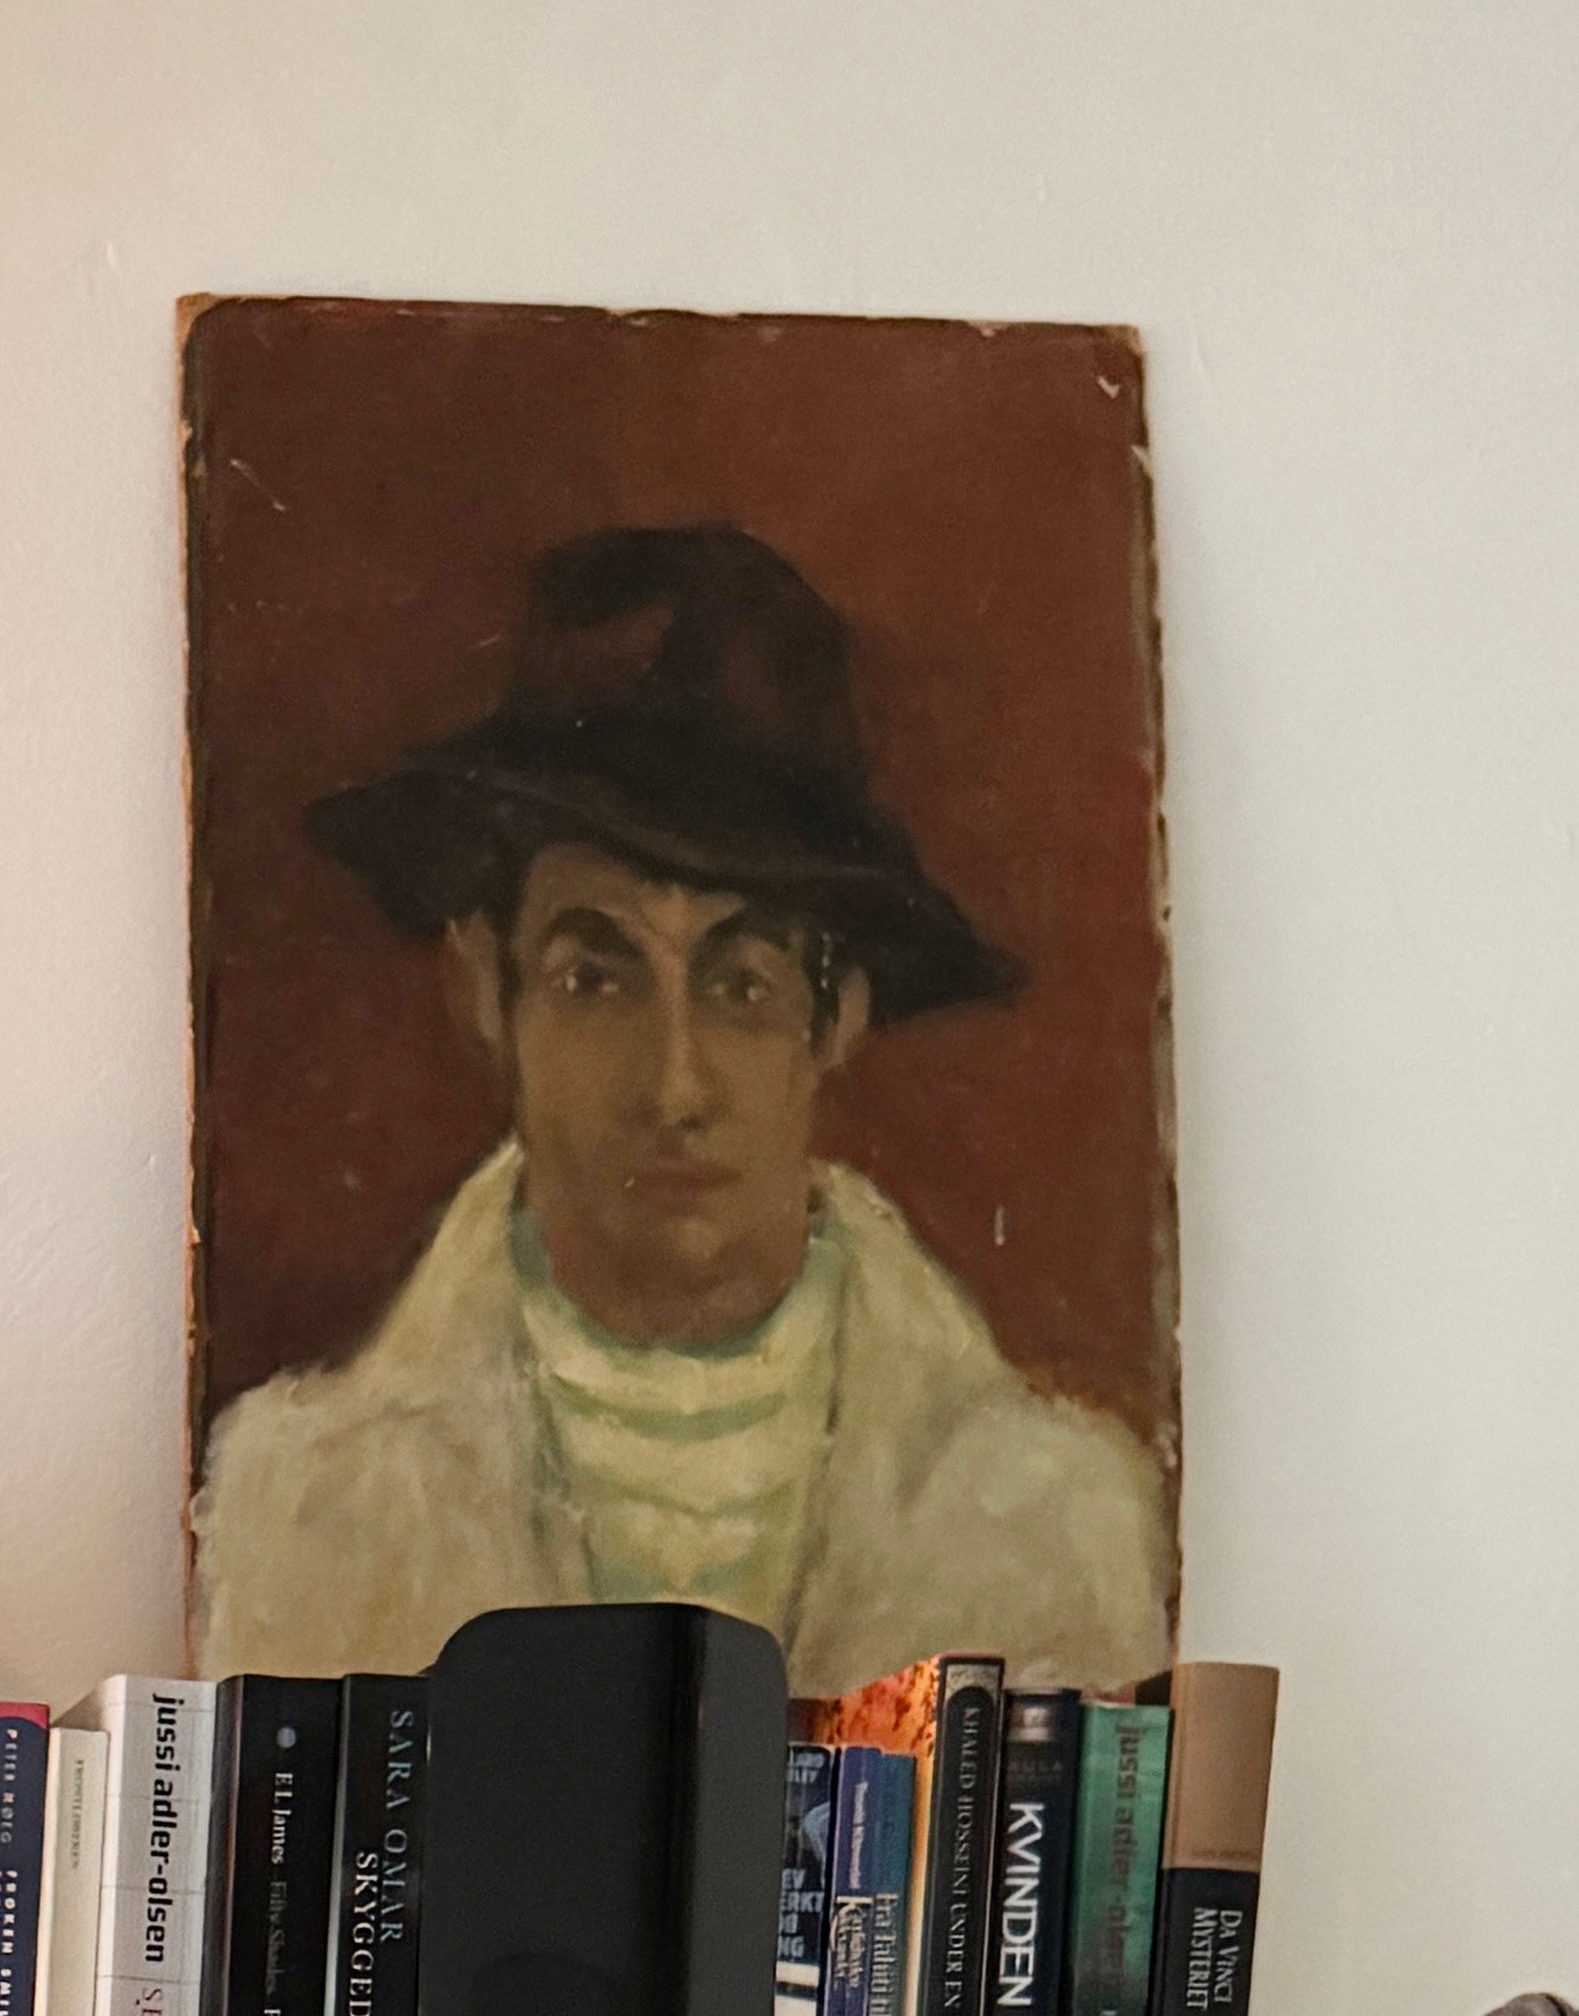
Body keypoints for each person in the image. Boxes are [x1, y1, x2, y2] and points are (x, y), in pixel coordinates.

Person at [192, 524, 1168, 1698]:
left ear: (836, 1019)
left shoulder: (1056, 1511)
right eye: (594, 981)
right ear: (485, 989)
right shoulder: (296, 1506)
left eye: (742, 987)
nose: (675, 1088)